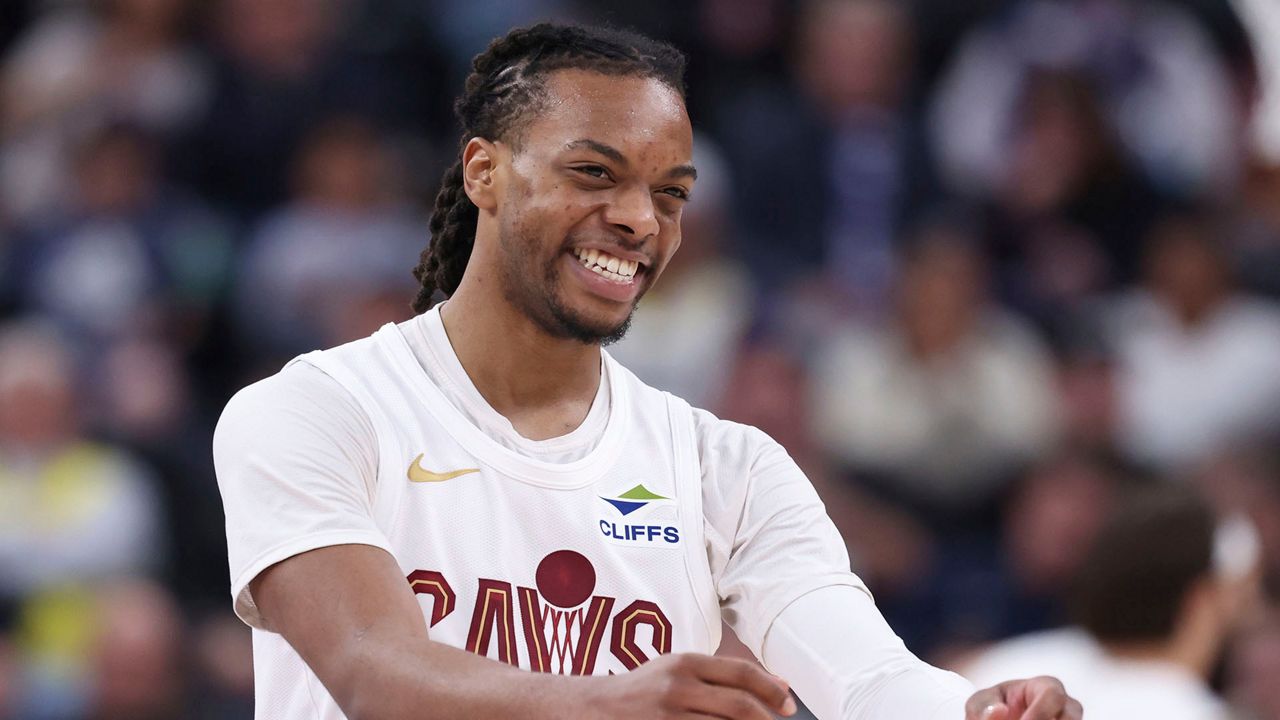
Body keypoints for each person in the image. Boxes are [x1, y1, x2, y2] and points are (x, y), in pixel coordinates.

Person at [214, 23, 1082, 720]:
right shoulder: (311, 412)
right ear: (484, 171)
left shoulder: (725, 468)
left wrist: (976, 708)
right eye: (596, 172)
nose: (639, 219)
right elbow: (374, 671)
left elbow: (869, 681)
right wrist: (604, 700)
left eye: (671, 193)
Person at [962, 486, 1261, 719]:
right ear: (1204, 597)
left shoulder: (1008, 665)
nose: (1254, 607)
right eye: (1244, 590)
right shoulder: (1194, 713)